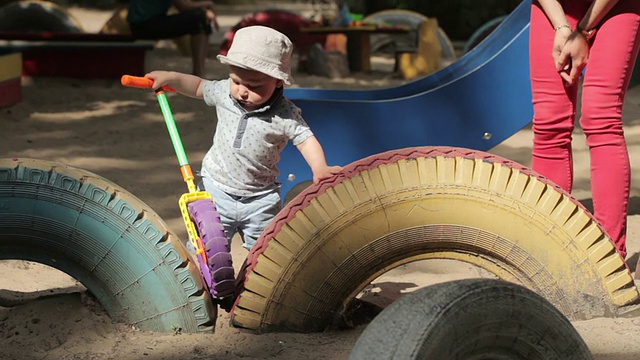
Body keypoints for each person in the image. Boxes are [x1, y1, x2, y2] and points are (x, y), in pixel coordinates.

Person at [145, 25, 343, 251]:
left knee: (264, 253)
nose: (242, 91)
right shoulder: (224, 94)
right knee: (206, 249)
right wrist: (171, 78)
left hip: (261, 199)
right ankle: (201, 284)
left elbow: (305, 139)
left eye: (254, 86)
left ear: (278, 81)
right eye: (236, 81)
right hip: (216, 189)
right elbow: (199, 86)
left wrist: (320, 168)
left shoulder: (285, 114)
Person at [529, 0, 640, 258]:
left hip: (614, 6)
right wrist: (561, 25)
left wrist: (583, 31)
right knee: (548, 123)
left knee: (601, 119)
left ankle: (609, 255)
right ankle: (548, 249)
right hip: (553, 8)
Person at [127, 0, 219, 77]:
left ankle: (200, 71)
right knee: (199, 18)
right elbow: (183, 6)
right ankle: (198, 73)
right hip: (144, 26)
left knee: (201, 17)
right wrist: (208, 4)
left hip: (144, 24)